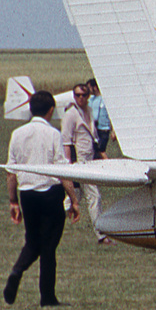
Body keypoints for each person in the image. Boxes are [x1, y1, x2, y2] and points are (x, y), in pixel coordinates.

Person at [4, 91, 81, 306]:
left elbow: (11, 172)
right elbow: (61, 170)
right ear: (50, 110)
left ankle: (17, 270)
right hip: (50, 193)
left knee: (32, 241)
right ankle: (47, 297)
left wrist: (13, 201)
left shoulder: (17, 134)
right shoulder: (53, 134)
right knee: (49, 246)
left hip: (27, 194)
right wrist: (73, 199)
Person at [61, 83, 110, 244]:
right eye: (77, 95)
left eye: (83, 95)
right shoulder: (71, 114)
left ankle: (50, 218)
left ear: (88, 96)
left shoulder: (88, 110)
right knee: (94, 196)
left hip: (89, 159)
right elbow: (66, 142)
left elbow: (92, 134)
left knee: (75, 196)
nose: (80, 98)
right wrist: (68, 166)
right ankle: (101, 235)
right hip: (79, 161)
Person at [87, 78, 113, 153]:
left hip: (104, 128)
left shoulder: (104, 99)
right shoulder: (91, 99)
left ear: (95, 87)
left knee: (100, 150)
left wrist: (113, 131)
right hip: (94, 128)